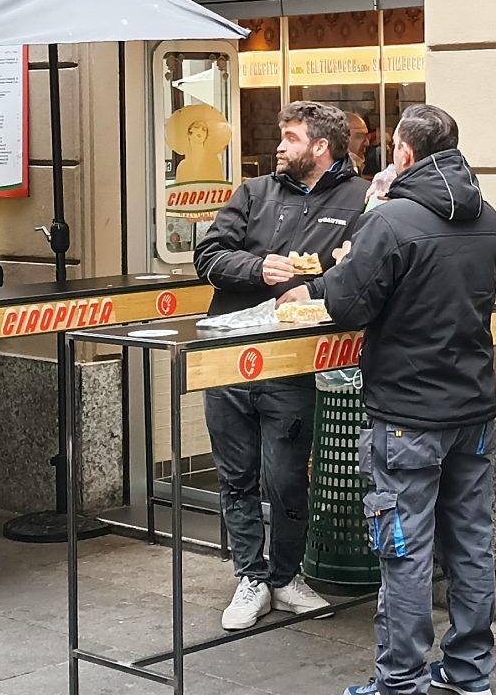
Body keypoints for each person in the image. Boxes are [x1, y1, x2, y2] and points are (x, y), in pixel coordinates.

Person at [287, 104, 496, 695]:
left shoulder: (392, 221)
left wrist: (370, 219)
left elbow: (348, 304)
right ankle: (468, 673)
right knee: (471, 543)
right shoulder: (487, 218)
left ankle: (400, 681)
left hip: (408, 412)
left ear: (404, 153)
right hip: (472, 408)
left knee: (404, 550)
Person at [195, 101, 366, 630]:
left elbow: (363, 272)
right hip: (228, 358)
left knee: (288, 478)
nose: (280, 145)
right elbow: (208, 257)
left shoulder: (360, 200)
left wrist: (312, 286)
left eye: (291, 137)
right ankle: (250, 576)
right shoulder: (254, 192)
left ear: (321, 146)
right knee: (235, 476)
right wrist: (255, 267)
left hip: (291, 362)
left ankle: (286, 577)